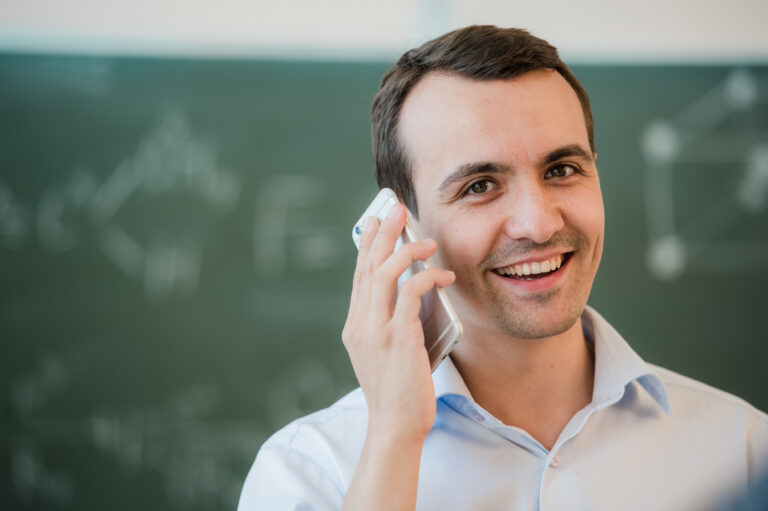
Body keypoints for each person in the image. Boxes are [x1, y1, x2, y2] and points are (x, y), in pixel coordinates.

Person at [239, 25, 768, 510]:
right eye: (480, 186)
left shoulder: (743, 450)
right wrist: (394, 437)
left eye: (562, 169)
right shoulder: (309, 472)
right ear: (401, 225)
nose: (538, 225)